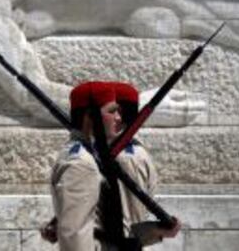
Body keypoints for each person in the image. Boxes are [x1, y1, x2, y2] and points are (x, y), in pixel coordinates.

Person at [42, 81, 181, 249]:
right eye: (112, 111)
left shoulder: (124, 159)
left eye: (118, 111)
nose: (118, 117)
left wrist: (156, 231)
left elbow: (124, 227)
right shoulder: (83, 160)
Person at [50, 81, 122, 251]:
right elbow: (74, 236)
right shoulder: (82, 164)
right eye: (112, 111)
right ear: (90, 116)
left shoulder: (79, 154)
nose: (118, 117)